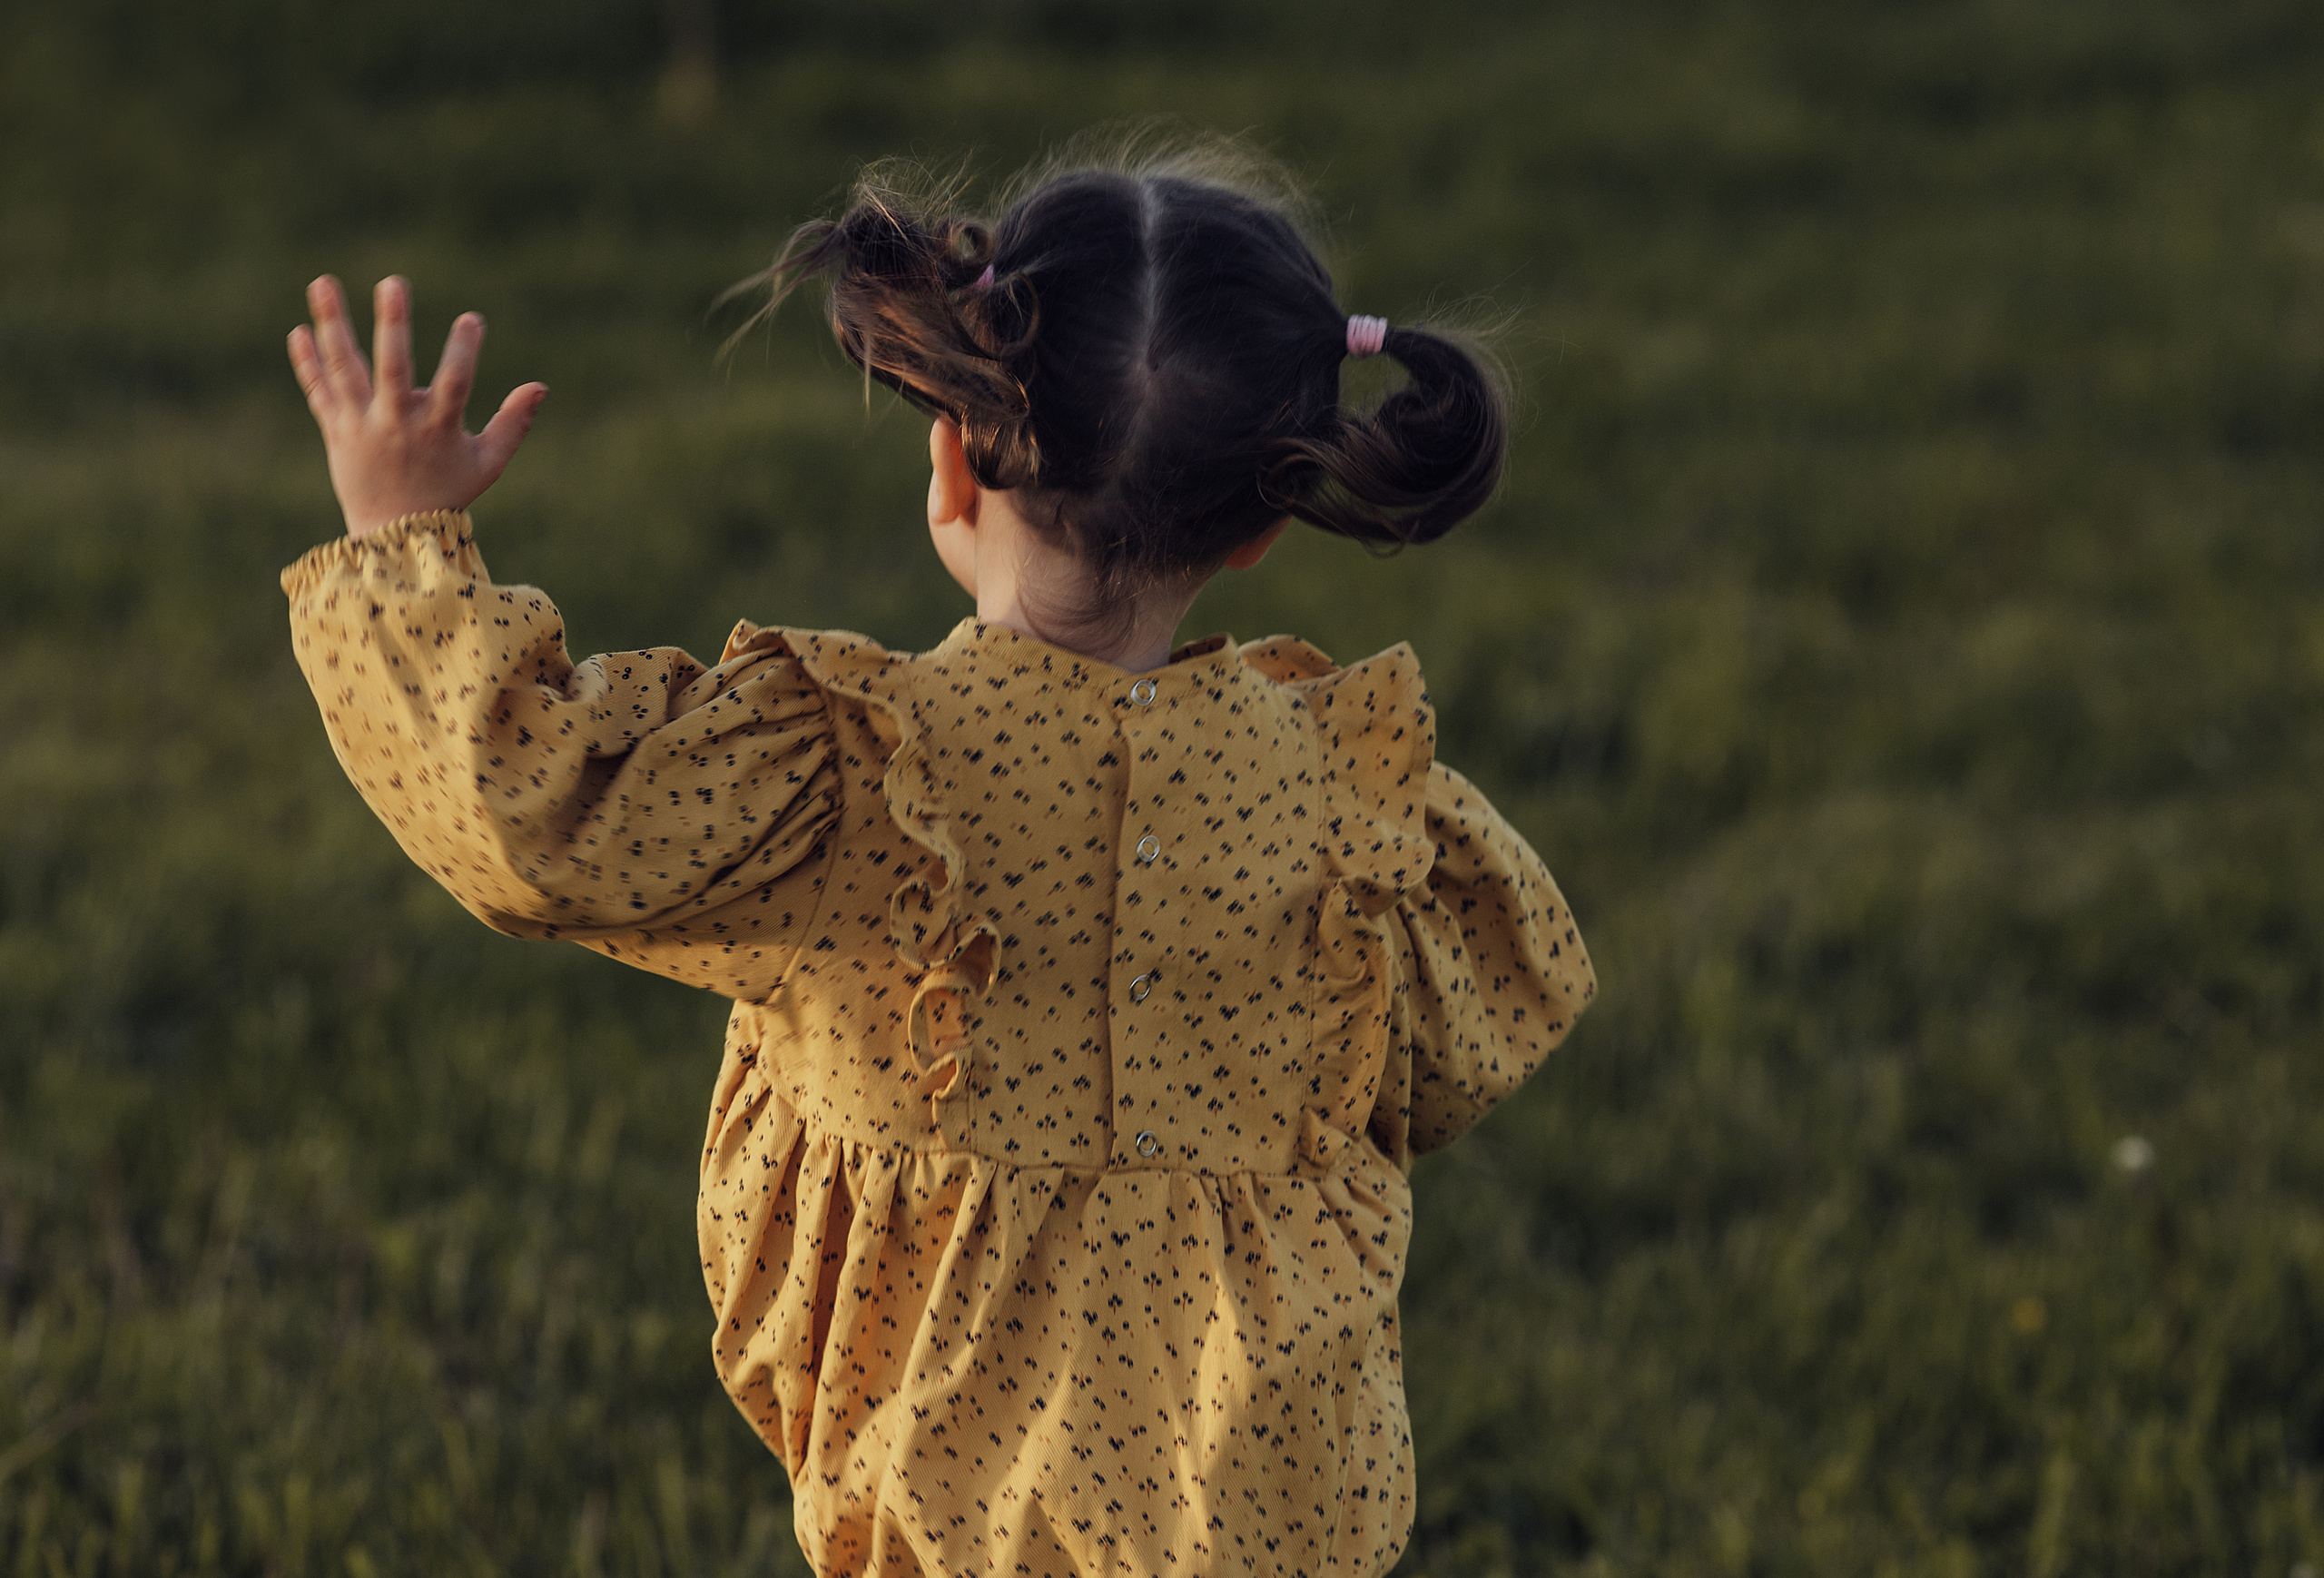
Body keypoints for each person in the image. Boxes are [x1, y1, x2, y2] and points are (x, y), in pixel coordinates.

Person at [281, 140, 1595, 1578]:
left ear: (957, 451)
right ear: (1266, 524)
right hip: (1268, 1506)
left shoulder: (848, 782)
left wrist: (398, 539)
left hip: (944, 1509)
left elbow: (530, 806)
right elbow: (1454, 1047)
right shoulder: (1349, 796)